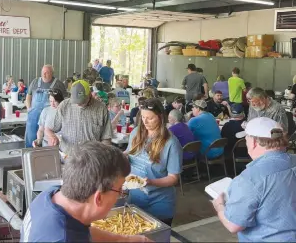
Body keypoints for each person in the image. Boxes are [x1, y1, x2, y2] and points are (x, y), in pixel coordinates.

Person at [21, 141, 149, 242]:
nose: (120, 195)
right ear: (98, 198)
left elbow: (81, 230)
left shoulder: (50, 196)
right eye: (119, 190)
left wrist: (125, 240)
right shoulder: (63, 238)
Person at [213, 117, 296, 242]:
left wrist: (219, 206)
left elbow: (233, 225)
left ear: (254, 142)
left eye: (246, 139)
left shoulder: (250, 178)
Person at [126, 98, 182, 226]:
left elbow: (173, 178)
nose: (145, 121)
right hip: (135, 198)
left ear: (161, 117)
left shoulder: (171, 143)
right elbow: (129, 153)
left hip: (159, 202)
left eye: (150, 118)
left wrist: (151, 182)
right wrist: (120, 156)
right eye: (143, 117)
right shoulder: (135, 133)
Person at [45, 80, 112, 154]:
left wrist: (102, 153)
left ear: (89, 95)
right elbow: (49, 129)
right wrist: (52, 137)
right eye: (75, 101)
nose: (78, 104)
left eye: (82, 101)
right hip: (68, 155)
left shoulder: (101, 109)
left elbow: (107, 138)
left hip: (91, 157)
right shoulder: (64, 105)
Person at [25, 65, 67, 147]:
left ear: (52, 73)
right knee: (31, 139)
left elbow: (64, 101)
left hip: (49, 117)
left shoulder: (59, 84)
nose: (44, 74)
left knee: (47, 139)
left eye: (47, 73)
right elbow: (28, 97)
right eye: (43, 72)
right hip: (33, 116)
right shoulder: (35, 82)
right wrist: (29, 109)